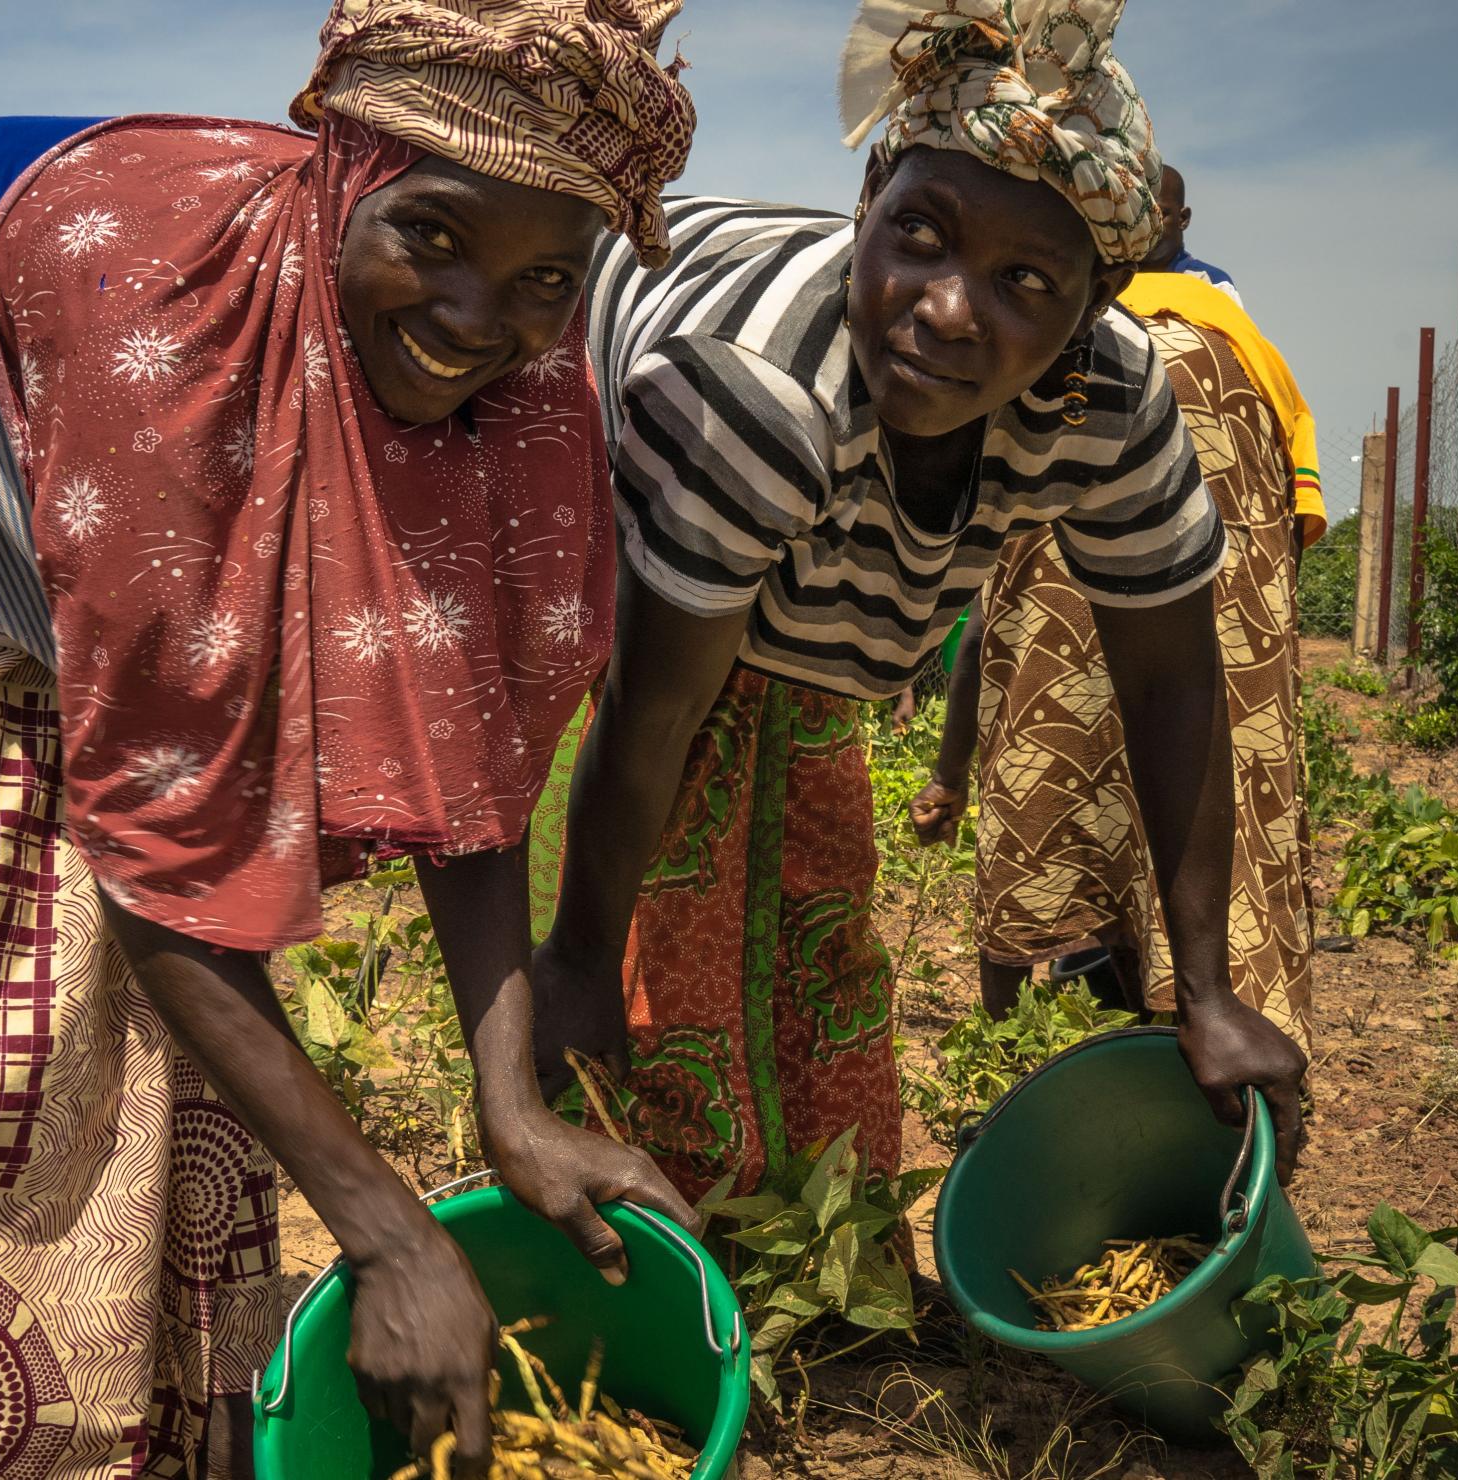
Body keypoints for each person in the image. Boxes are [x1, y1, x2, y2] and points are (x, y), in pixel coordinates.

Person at [0, 4, 697, 1476]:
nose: (475, 314)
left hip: (130, 496)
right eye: (432, 237)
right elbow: (159, 858)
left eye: (541, 279)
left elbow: (476, 753)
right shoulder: (161, 332)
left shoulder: (526, 379)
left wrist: (511, 1110)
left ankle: (189, 1431)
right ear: (344, 175)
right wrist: (382, 1230)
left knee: (174, 1071)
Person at [526, 0, 1307, 1207]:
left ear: (1091, 308)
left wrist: (1204, 987)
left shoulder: (1114, 398)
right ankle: (689, 1231)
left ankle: (821, 1232)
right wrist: (575, 956)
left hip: (808, 577)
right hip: (624, 413)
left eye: (1025, 281)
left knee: (817, 906)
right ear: (869, 202)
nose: (948, 307)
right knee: (674, 931)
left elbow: (1170, 674)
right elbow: (651, 710)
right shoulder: (757, 393)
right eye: (921, 236)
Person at [919, 211, 1328, 1045]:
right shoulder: (1240, 344)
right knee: (1208, 723)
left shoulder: (1053, 348)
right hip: (1215, 637)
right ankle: (1210, 1003)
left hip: (1043, 627)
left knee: (1042, 708)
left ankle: (1008, 1041)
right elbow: (1273, 552)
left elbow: (993, 620)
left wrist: (951, 775)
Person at [1140, 163, 1243, 307]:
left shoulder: (1213, 285)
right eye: (1139, 214)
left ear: (1183, 219)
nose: (1148, 225)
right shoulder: (1106, 284)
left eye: (1160, 214)